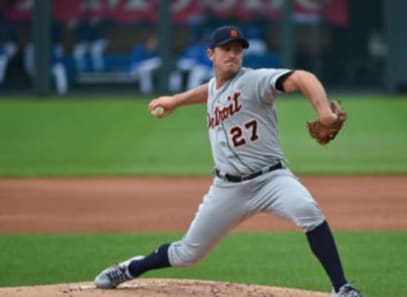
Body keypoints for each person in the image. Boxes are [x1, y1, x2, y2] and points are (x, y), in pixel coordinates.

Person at [94, 25, 362, 297]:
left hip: (272, 180)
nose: (233, 55)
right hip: (227, 189)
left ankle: (342, 287)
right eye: (226, 49)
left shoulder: (255, 80)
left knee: (309, 211)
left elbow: (303, 77)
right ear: (211, 54)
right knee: (188, 254)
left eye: (238, 50)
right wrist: (174, 101)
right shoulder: (215, 87)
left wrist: (323, 110)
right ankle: (131, 268)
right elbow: (209, 91)